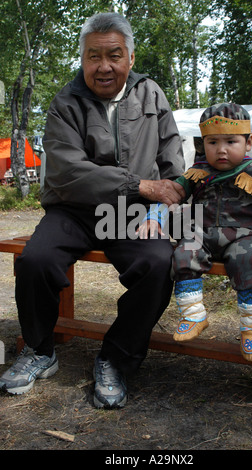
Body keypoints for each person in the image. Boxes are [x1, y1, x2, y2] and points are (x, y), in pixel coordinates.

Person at [0, 12, 185, 407]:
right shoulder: (65, 102)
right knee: (35, 260)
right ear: (82, 58)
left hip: (132, 212)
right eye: (93, 56)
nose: (104, 67)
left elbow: (173, 159)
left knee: (157, 264)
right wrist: (142, 185)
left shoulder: (151, 93)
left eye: (114, 55)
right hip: (74, 209)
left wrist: (174, 197)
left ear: (130, 58)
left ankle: (115, 358)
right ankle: (39, 349)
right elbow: (69, 171)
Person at [138, 102, 252, 362]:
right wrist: (155, 217)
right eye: (212, 142)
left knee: (249, 259)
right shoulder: (197, 173)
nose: (221, 150)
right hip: (202, 233)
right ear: (203, 144)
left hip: (244, 236)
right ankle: (193, 314)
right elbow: (170, 194)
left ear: (248, 142)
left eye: (231, 141)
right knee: (184, 251)